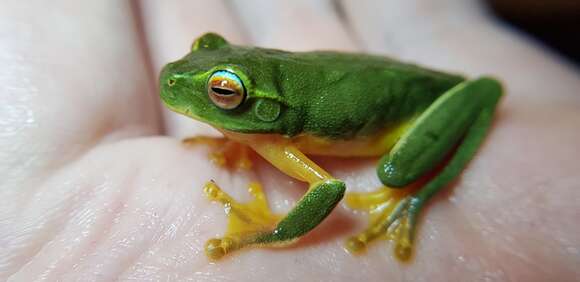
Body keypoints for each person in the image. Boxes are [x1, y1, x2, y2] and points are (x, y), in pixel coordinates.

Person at [1, 1, 579, 281]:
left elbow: (328, 187)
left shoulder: (282, 138)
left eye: (223, 91)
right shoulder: (261, 123)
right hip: (360, 76)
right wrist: (233, 131)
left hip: (412, 107)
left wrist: (271, 233)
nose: (179, 78)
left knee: (397, 175)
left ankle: (428, 191)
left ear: (256, 107)